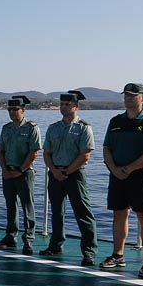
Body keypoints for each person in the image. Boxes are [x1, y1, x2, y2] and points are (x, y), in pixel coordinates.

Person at [100, 83, 143, 279]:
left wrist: (130, 168)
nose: (128, 98)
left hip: (141, 175)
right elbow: (107, 148)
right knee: (119, 214)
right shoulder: (116, 121)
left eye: (133, 95)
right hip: (118, 175)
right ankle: (118, 255)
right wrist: (115, 169)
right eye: (126, 95)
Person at [42, 91, 97, 266]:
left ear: (76, 106)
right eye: (61, 104)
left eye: (67, 104)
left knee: (83, 212)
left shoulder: (83, 128)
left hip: (75, 175)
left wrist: (66, 172)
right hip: (55, 173)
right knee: (57, 212)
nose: (63, 107)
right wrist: (54, 170)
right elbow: (47, 153)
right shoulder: (53, 128)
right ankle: (55, 245)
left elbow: (85, 155)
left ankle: (89, 251)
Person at [0, 95, 42, 254]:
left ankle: (28, 239)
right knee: (10, 206)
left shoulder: (31, 128)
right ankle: (10, 236)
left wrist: (20, 170)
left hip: (24, 173)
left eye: (15, 109)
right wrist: (5, 170)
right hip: (8, 172)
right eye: (10, 109)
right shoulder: (6, 128)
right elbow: (0, 151)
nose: (12, 112)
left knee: (28, 206)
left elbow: (34, 152)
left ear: (23, 110)